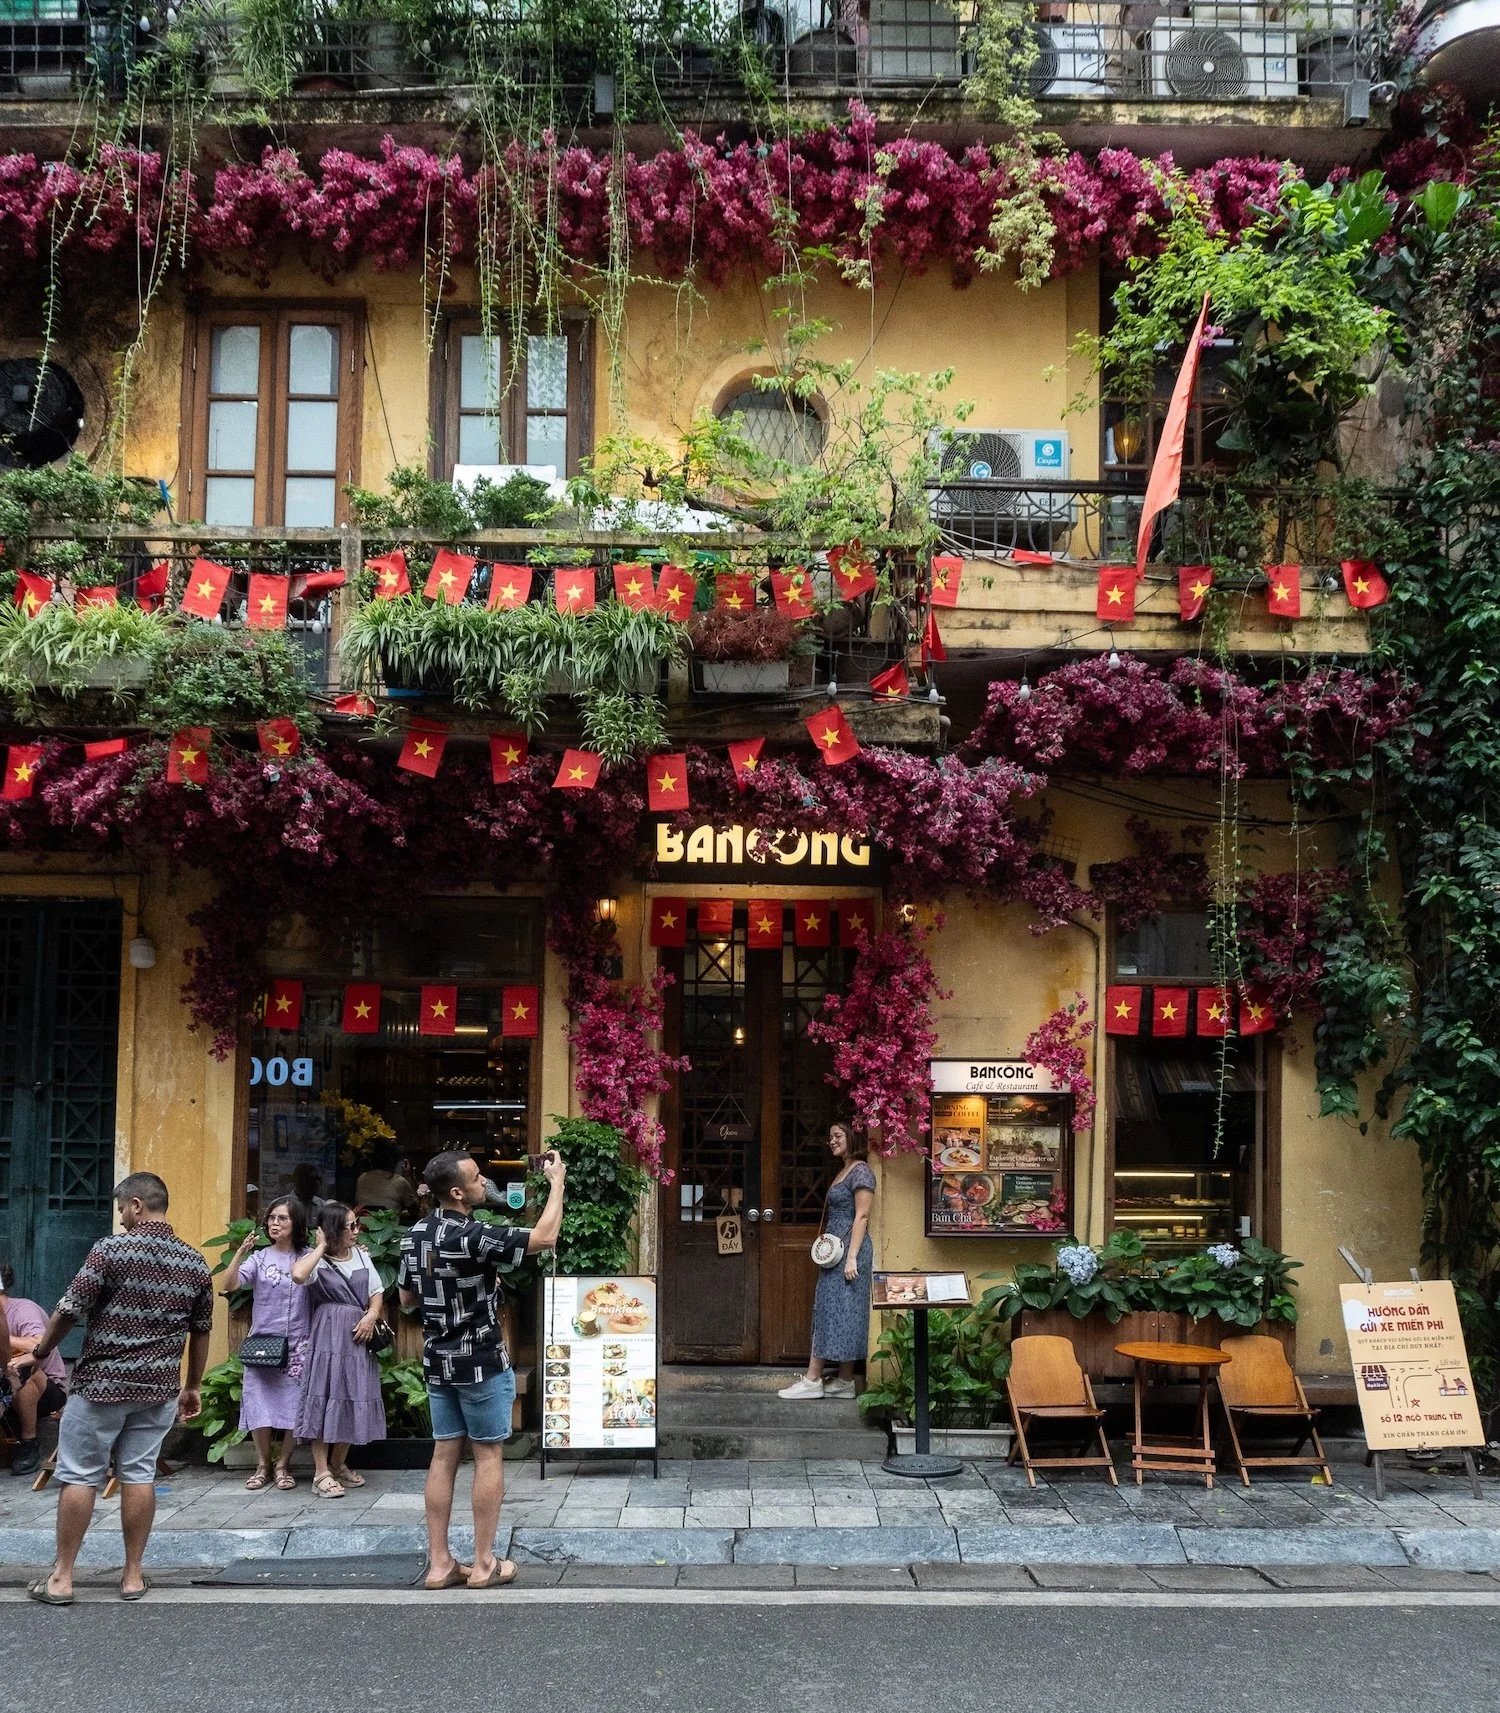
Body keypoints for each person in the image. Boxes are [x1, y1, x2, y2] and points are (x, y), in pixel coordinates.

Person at [19, 1172, 212, 1604]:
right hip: (158, 1387)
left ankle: (63, 1578)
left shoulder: (111, 1250)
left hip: (101, 1385)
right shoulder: (195, 1262)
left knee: (79, 1476)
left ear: (138, 1205)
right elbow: (201, 1331)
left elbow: (69, 1308)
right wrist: (192, 1385)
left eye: (123, 1208)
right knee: (139, 1475)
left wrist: (41, 1350)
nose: (121, 1217)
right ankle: (132, 1577)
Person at [397, 1147, 566, 1590]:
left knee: (443, 1454)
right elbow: (545, 1237)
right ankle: (485, 1563)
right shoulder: (472, 1235)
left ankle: (439, 1565)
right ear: (456, 1192)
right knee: (488, 1454)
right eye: (475, 1178)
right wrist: (557, 1182)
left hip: (438, 1361)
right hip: (481, 1360)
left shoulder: (415, 1234)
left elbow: (407, 1300)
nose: (483, 1182)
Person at [292, 1201, 386, 1498]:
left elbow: (376, 1291)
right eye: (351, 1226)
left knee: (353, 1393)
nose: (357, 1231)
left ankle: (338, 1463)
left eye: (356, 1224)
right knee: (324, 1393)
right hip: (329, 1335)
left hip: (358, 1333)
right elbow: (297, 1275)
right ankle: (321, 1472)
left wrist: (372, 1315)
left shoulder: (361, 1255)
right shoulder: (316, 1260)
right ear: (333, 1229)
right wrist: (320, 1247)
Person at [779, 1122, 876, 1400]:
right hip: (838, 1248)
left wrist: (852, 1257)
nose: (831, 1141)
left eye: (837, 1136)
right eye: (830, 1136)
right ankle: (845, 1380)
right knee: (838, 1310)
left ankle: (812, 1380)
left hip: (849, 1249)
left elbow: (862, 1216)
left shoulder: (861, 1171)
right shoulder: (847, 1169)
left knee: (839, 1309)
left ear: (852, 1137)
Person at [222, 1198, 312, 1492]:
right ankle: (262, 1465)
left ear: (296, 1223)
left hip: (298, 1344)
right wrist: (240, 1254)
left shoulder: (308, 1256)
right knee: (259, 1403)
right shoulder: (259, 1258)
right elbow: (229, 1285)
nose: (275, 1223)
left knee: (292, 1405)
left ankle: (283, 1464)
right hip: (262, 1343)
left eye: (283, 1218)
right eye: (272, 1218)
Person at [0, 1261, 70, 1476]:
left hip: (46, 1389)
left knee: (23, 1369)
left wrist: (4, 1339)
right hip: (4, 1389)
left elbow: (37, 1345)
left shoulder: (23, 1309)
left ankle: (28, 1442)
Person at [354, 1144, 417, 1217]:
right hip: (389, 1226)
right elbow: (415, 1210)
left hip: (362, 1225)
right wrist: (408, 1177)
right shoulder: (399, 1182)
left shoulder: (361, 1178)